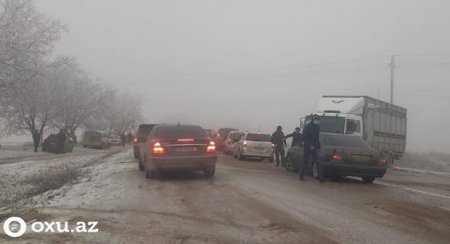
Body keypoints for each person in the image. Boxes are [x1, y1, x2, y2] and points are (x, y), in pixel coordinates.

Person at [300, 114, 324, 182]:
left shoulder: (317, 127)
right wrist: (310, 145)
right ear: (313, 119)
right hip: (307, 147)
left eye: (318, 120)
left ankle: (321, 177)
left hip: (315, 147)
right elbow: (304, 137)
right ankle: (301, 176)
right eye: (316, 120)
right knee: (305, 162)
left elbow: (316, 137)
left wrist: (318, 145)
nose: (317, 121)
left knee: (318, 162)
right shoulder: (307, 127)